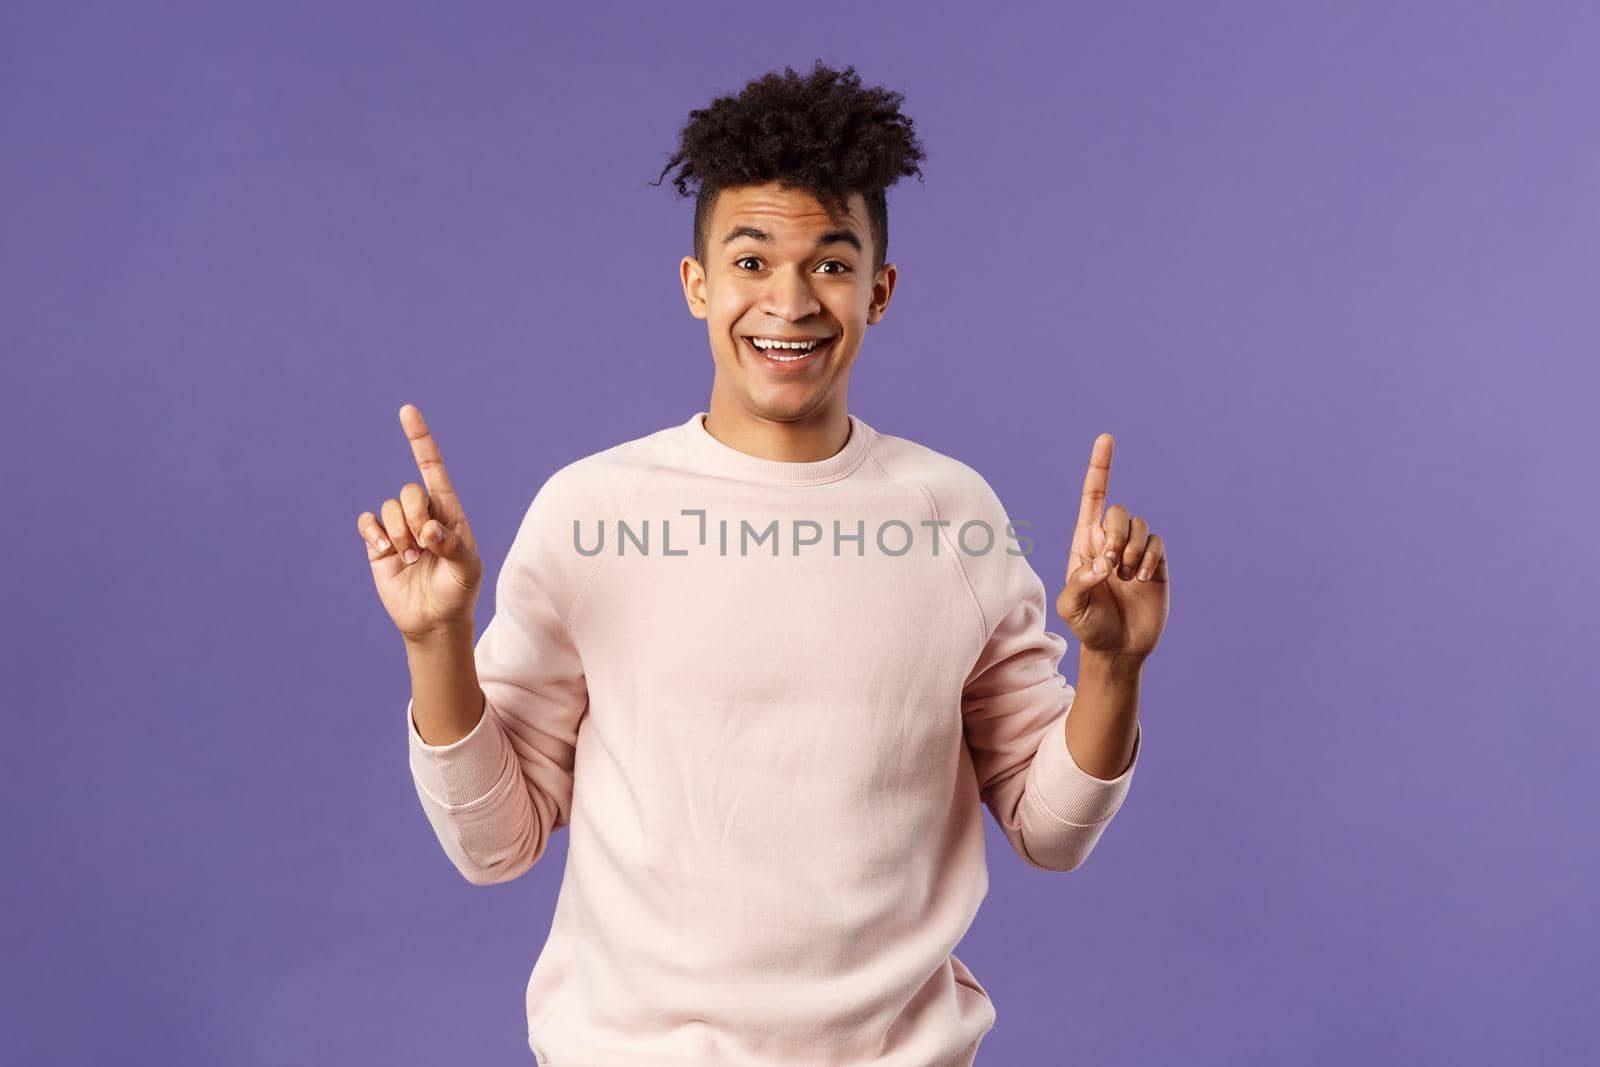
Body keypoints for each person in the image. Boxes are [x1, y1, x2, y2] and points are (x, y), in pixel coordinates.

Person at [359, 60, 1169, 1067]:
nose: (788, 301)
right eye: (751, 262)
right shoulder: (591, 511)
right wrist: (435, 639)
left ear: (879, 290)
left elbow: (1050, 830)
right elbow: (495, 845)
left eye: (830, 264)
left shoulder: (951, 513)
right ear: (697, 283)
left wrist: (1114, 667)